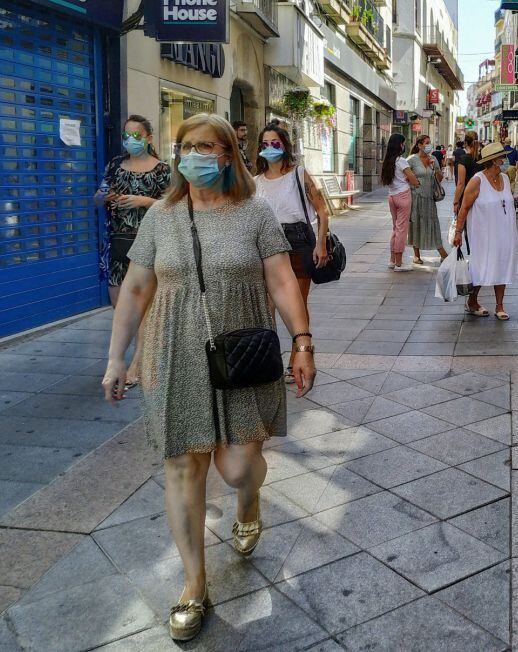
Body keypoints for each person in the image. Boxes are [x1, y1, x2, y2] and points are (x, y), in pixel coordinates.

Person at [101, 113, 316, 643]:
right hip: (172, 352)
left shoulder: (255, 213)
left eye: (207, 146)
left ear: (227, 155)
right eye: (186, 146)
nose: (195, 155)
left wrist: (303, 340)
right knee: (183, 467)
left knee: (240, 465)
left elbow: (283, 279)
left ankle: (248, 500)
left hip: (241, 352)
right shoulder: (163, 217)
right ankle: (194, 584)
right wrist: (115, 358)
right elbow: (134, 289)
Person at [95, 115, 172, 386]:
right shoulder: (116, 165)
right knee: (121, 302)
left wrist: (144, 201)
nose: (130, 140)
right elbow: (98, 196)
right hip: (117, 241)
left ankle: (138, 361)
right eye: (126, 135)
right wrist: (107, 196)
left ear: (148, 138)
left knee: (144, 303)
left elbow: (174, 205)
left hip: (148, 242)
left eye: (136, 136)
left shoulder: (163, 170)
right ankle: (127, 355)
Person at [253, 123, 330, 380]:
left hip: (297, 241)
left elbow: (321, 209)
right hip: (265, 243)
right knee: (266, 305)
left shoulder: (299, 174)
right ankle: (269, 357)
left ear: (284, 145)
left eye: (275, 143)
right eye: (265, 144)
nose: (270, 148)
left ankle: (299, 354)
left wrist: (320, 243)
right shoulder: (254, 183)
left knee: (296, 302)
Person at [451, 142, 518, 321]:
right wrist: (458, 232)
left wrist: (516, 200)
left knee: (502, 265)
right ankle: (472, 301)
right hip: (483, 234)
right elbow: (464, 208)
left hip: (505, 232)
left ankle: (500, 306)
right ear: (495, 161)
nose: (504, 158)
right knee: (481, 267)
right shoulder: (477, 180)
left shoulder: (505, 178)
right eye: (502, 156)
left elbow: (503, 201)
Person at [407, 134, 448, 264]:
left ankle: (442, 253)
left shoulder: (433, 159)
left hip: (429, 198)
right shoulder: (411, 160)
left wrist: (434, 168)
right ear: (419, 145)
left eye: (429, 142)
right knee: (416, 223)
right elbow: (404, 177)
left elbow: (440, 179)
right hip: (416, 197)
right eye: (426, 142)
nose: (428, 145)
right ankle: (416, 255)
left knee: (433, 224)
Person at [380, 133, 419, 269]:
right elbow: (413, 179)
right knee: (402, 230)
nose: (404, 146)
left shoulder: (388, 161)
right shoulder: (401, 161)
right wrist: (414, 181)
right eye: (403, 143)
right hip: (403, 196)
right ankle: (399, 263)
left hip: (392, 197)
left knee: (396, 228)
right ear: (399, 145)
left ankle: (392, 260)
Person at [453, 131, 482, 217]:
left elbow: (461, 184)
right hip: (481, 195)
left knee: (467, 226)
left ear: (465, 143)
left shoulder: (464, 159)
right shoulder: (483, 159)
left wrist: (456, 202)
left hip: (467, 197)